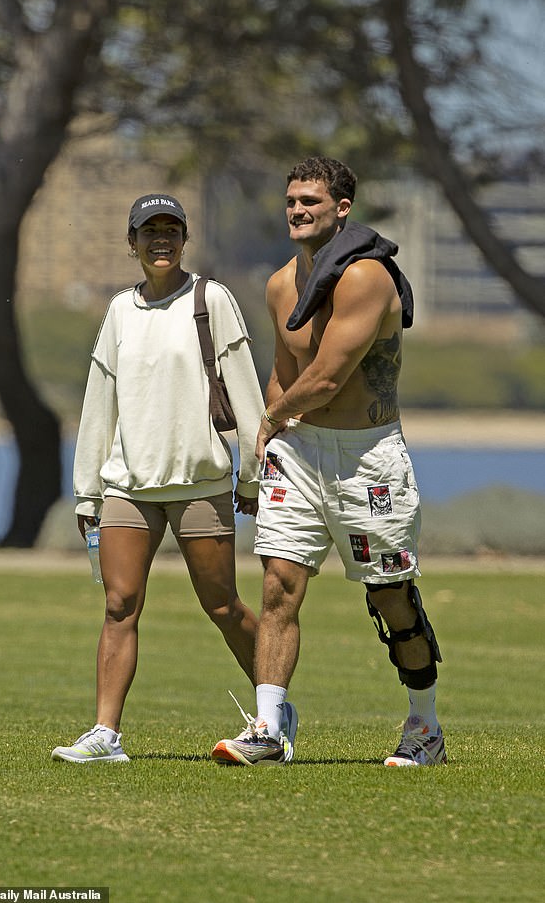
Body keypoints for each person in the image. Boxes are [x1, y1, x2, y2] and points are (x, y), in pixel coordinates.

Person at [211, 156, 445, 768]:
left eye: (310, 201)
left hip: (367, 460)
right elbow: (285, 375)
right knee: (278, 586)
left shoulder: (367, 278)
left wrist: (267, 420)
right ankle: (268, 728)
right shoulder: (280, 284)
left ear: (342, 208)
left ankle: (425, 725)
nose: (297, 210)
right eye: (290, 201)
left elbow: (327, 377)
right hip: (300, 450)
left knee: (390, 595)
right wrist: (264, 447)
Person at [52, 193, 271, 763]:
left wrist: (252, 475)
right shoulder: (120, 311)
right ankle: (105, 735)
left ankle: (272, 715)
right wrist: (87, 488)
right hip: (129, 486)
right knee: (120, 604)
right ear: (132, 244)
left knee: (221, 604)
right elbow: (99, 401)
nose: (161, 241)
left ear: (184, 240)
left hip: (200, 484)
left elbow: (246, 392)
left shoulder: (212, 299)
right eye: (149, 232)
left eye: (171, 230)